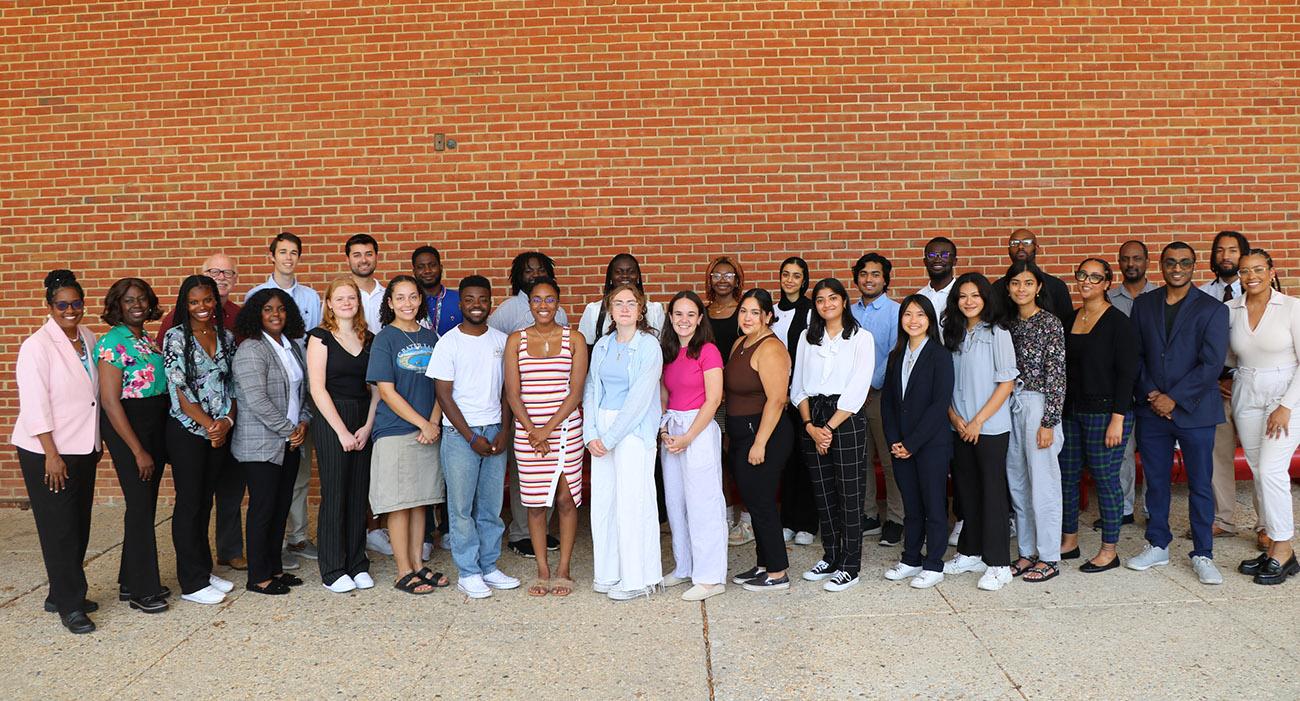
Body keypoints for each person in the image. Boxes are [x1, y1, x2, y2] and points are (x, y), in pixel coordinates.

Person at [1126, 242, 1229, 585]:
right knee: (1156, 483)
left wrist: (1175, 398)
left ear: (1194, 266)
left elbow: (1212, 363)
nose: (1177, 267)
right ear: (1161, 265)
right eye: (1170, 262)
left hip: (1195, 411)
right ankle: (1157, 543)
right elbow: (1135, 356)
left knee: (1200, 485)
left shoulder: (1212, 309)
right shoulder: (1143, 305)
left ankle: (1203, 553)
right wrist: (1154, 394)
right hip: (1152, 410)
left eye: (1184, 262)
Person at [13, 271, 102, 633]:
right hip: (47, 451)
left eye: (76, 303)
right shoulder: (36, 346)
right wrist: (51, 454)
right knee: (59, 529)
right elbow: (35, 405)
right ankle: (70, 605)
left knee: (79, 524)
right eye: (62, 305)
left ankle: (60, 591)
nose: (70, 310)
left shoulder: (89, 338)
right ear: (50, 307)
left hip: (83, 446)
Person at [429, 275, 520, 598]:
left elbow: (508, 391)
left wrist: (505, 431)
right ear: (461, 303)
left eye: (482, 299)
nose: (476, 305)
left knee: (491, 507)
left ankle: (489, 566)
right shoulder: (448, 343)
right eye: (469, 299)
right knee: (462, 507)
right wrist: (470, 437)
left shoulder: (501, 340)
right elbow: (444, 395)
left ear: (490, 301)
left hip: (495, 431)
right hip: (460, 436)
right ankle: (468, 571)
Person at [160, 253, 245, 570]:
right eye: (195, 302)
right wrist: (211, 426)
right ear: (186, 303)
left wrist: (226, 421)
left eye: (207, 300)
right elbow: (178, 389)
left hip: (220, 431)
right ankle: (191, 576)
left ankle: (204, 570)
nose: (202, 306)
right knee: (190, 505)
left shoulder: (225, 337)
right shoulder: (175, 337)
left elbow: (233, 386)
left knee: (207, 502)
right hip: (189, 433)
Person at [504, 277, 587, 598]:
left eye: (550, 300)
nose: (543, 306)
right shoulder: (516, 341)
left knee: (566, 500)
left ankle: (563, 569)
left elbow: (576, 392)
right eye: (537, 300)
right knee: (535, 504)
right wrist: (532, 430)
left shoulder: (574, 339)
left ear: (558, 303)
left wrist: (547, 429)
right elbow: (512, 393)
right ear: (529, 304)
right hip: (528, 434)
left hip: (564, 430)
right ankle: (542, 569)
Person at [791, 278, 875, 592]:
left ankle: (850, 566)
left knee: (849, 496)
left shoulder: (861, 338)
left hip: (846, 418)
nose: (827, 305)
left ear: (843, 301)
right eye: (821, 300)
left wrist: (828, 428)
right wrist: (811, 426)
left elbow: (858, 389)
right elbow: (797, 386)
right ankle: (831, 556)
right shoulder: (806, 337)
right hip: (812, 417)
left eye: (833, 299)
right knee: (823, 494)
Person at [368, 276, 449, 594]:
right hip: (396, 432)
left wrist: (433, 423)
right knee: (399, 504)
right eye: (399, 298)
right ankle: (403, 570)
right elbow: (386, 392)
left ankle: (418, 564)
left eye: (412, 297)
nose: (407, 303)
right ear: (389, 303)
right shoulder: (385, 339)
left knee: (421, 503)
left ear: (420, 300)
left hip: (428, 431)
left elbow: (443, 386)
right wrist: (422, 423)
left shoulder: (433, 338)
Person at [583, 283, 665, 601]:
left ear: (641, 309)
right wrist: (591, 433)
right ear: (610, 309)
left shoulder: (649, 346)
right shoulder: (603, 344)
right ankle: (608, 572)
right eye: (619, 303)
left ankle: (636, 579)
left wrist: (611, 437)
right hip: (601, 428)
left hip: (632, 431)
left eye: (632, 303)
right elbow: (591, 387)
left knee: (633, 503)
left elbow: (641, 397)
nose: (625, 309)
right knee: (603, 503)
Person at [94, 278, 169, 614]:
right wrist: (138, 450)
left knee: (144, 506)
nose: (137, 304)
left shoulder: (147, 339)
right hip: (128, 428)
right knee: (140, 507)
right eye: (128, 300)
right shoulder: (112, 342)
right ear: (117, 306)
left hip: (152, 423)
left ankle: (129, 579)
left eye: (142, 299)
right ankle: (143, 590)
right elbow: (110, 401)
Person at [247, 232, 322, 566]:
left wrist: (303, 417)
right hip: (270, 405)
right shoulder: (256, 296)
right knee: (268, 488)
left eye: (294, 252)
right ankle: (269, 549)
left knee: (299, 477)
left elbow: (318, 341)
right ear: (271, 256)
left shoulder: (311, 297)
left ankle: (297, 538)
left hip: (301, 391)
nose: (288, 258)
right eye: (282, 252)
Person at [231, 289, 312, 595]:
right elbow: (256, 401)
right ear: (257, 314)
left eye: (280, 308)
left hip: (290, 440)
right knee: (263, 509)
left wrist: (302, 422)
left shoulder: (290, 346)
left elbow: (302, 392)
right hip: (262, 444)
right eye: (268, 309)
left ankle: (275, 567)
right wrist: (288, 429)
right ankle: (258, 577)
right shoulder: (252, 349)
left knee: (280, 507)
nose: (275, 314)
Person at [1060, 258, 1138, 573]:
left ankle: (1109, 549)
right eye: (1083, 275)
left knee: (1106, 479)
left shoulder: (1119, 323)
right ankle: (1069, 540)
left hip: (1106, 413)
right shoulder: (1069, 319)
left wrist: (1118, 418)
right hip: (1071, 411)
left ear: (1107, 283)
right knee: (1067, 478)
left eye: (1095, 277)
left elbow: (1127, 374)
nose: (1087, 281)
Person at [488, 252, 566, 559]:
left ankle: (542, 530)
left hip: (553, 405)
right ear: (517, 276)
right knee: (524, 471)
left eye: (540, 269)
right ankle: (520, 532)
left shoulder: (558, 313)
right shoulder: (508, 309)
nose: (534, 274)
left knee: (550, 471)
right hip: (520, 403)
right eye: (527, 270)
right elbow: (493, 346)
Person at [1228, 249, 1300, 584]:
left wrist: (1286, 405)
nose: (1251, 276)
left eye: (1258, 269)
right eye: (1244, 271)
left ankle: (1283, 548)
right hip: (1247, 391)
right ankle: (1273, 546)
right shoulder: (1232, 309)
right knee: (1258, 471)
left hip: (1285, 395)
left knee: (1272, 470)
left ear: (1271, 272)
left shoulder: (1291, 307)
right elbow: (1229, 355)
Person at [942, 273, 1018, 591]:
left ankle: (999, 564)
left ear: (986, 298)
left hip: (990, 428)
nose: (969, 301)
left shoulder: (997, 331)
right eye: (962, 296)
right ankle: (970, 552)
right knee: (967, 492)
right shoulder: (954, 333)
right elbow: (945, 383)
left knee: (992, 494)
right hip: (958, 426)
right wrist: (956, 418)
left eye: (975, 295)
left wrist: (977, 422)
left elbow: (1006, 383)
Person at [307, 279, 380, 593]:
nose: (347, 302)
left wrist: (367, 426)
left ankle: (356, 562)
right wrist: (341, 431)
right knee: (335, 492)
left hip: (363, 416)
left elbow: (377, 388)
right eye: (340, 298)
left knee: (358, 493)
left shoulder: (370, 338)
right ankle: (333, 568)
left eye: (352, 297)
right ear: (329, 303)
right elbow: (317, 388)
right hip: (331, 419)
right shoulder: (320, 338)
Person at [881, 295, 955, 589]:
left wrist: (912, 442)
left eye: (920, 315)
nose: (913, 320)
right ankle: (911, 558)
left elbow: (940, 405)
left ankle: (934, 563)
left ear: (930, 320)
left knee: (934, 504)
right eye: (908, 314)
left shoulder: (939, 354)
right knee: (911, 505)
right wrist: (895, 441)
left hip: (930, 445)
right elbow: (887, 403)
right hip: (901, 446)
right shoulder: (896, 355)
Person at [658, 291, 727, 601]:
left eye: (690, 314)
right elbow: (663, 394)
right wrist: (663, 429)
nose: (683, 320)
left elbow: (714, 400)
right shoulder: (668, 351)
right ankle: (684, 565)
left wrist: (688, 437)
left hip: (698, 430)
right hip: (672, 428)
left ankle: (711, 578)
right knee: (676, 502)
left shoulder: (708, 351)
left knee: (704, 504)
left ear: (700, 318)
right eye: (678, 314)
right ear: (670, 318)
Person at [725, 289, 795, 592]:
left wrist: (760, 442)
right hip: (742, 433)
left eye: (755, 312)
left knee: (763, 502)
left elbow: (778, 399)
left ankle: (778, 572)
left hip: (766, 434)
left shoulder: (771, 348)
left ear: (768, 316)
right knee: (753, 501)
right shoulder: (740, 343)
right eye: (743, 311)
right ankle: (763, 564)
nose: (748, 317)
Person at [1003, 261, 1066, 582]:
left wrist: (1049, 421)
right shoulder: (1007, 325)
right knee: (1018, 482)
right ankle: (1027, 552)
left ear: (1039, 287)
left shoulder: (1049, 323)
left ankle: (1050, 556)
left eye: (1028, 283)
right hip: (1011, 404)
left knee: (1044, 484)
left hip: (1039, 406)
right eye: (1015, 283)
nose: (1021, 289)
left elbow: (1057, 375)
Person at [850, 253, 903, 546]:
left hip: (881, 395)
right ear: (856, 277)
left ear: (885, 279)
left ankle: (896, 518)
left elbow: (896, 351)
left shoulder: (896, 312)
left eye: (875, 274)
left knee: (889, 458)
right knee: (859, 459)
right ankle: (868, 515)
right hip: (850, 397)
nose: (869, 279)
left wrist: (870, 384)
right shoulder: (847, 311)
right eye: (864, 274)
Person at [1201, 230, 1251, 540]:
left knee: (1260, 458)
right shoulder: (1203, 294)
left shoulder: (1257, 291)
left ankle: (1265, 526)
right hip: (1214, 387)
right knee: (1217, 455)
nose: (1225, 256)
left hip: (1249, 383)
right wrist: (1214, 378)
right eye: (1220, 251)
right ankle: (1224, 519)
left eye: (1232, 250)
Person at [1104, 240, 1157, 528]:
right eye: (1125, 259)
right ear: (1119, 263)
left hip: (1153, 387)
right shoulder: (1109, 299)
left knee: (1151, 451)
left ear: (1147, 261)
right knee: (1121, 452)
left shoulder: (1161, 297)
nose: (1131, 264)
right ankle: (1123, 509)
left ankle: (1151, 510)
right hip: (1119, 388)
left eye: (1137, 258)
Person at [703, 256, 750, 545]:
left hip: (738, 393)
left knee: (740, 457)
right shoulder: (703, 313)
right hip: (711, 396)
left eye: (728, 275)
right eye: (716, 275)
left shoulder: (744, 312)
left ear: (737, 280)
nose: (722, 280)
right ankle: (724, 514)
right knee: (716, 456)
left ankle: (746, 519)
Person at [772, 257, 817, 547]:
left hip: (802, 395)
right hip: (775, 397)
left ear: (804, 281)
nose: (790, 280)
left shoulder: (812, 311)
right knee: (784, 459)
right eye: (786, 274)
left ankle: (807, 523)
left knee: (806, 459)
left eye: (796, 276)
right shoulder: (772, 312)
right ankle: (787, 520)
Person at [578, 253, 666, 346]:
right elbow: (584, 347)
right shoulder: (594, 310)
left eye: (631, 271)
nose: (625, 276)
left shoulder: (654, 310)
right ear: (610, 277)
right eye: (618, 272)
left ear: (638, 277)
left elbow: (664, 346)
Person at [993, 229, 1073, 323]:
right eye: (1014, 243)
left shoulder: (1057, 286)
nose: (1020, 246)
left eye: (1027, 242)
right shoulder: (996, 288)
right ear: (1009, 250)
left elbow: (1067, 326)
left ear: (1037, 249)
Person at [413, 245, 463, 337]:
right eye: (421, 267)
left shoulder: (460, 299)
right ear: (414, 272)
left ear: (441, 268)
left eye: (432, 265)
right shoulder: (408, 303)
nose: (427, 271)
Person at [345, 234, 385, 331]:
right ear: (347, 260)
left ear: (376, 257)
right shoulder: (338, 298)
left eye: (369, 254)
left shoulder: (388, 296)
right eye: (357, 255)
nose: (363, 260)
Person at [916, 237, 958, 322]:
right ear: (925, 261)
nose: (937, 259)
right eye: (931, 255)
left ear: (954, 261)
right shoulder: (920, 296)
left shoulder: (962, 294)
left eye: (945, 255)